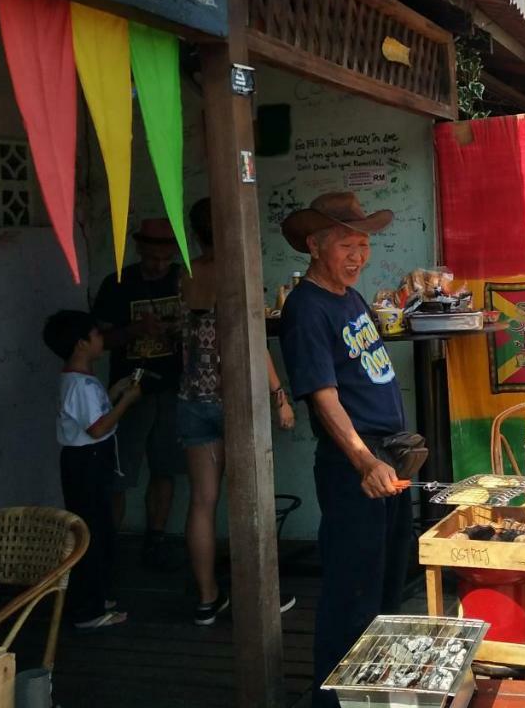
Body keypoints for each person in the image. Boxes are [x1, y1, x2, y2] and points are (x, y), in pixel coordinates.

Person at [278, 192, 411, 708]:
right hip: (356, 465)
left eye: (364, 244)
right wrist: (364, 459)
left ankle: (373, 692)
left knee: (384, 584)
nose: (358, 255)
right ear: (314, 246)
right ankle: (332, 701)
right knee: (351, 591)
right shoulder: (306, 308)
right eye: (346, 245)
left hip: (388, 456)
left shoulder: (349, 297)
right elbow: (323, 396)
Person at [179, 198, 297, 626]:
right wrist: (279, 395)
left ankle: (208, 598)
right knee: (250, 500)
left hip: (192, 398)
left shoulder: (187, 272)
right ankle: (259, 595)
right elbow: (256, 341)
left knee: (203, 502)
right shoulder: (238, 274)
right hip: (235, 401)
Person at [92, 218, 186, 571]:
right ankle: (110, 547)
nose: (159, 265)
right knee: (120, 473)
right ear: (139, 248)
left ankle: (156, 540)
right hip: (129, 391)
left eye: (165, 258)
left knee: (165, 469)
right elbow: (100, 342)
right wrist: (136, 330)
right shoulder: (117, 283)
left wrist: (178, 332)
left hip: (172, 388)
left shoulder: (182, 278)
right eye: (152, 258)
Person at [43, 309, 142, 629]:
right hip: (87, 459)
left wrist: (115, 393)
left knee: (97, 528)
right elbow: (98, 428)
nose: (103, 339)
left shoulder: (78, 379)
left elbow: (93, 416)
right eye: (97, 334)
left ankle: (95, 595)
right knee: (92, 532)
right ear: (81, 344)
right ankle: (89, 609)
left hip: (86, 459)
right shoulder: (79, 385)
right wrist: (126, 403)